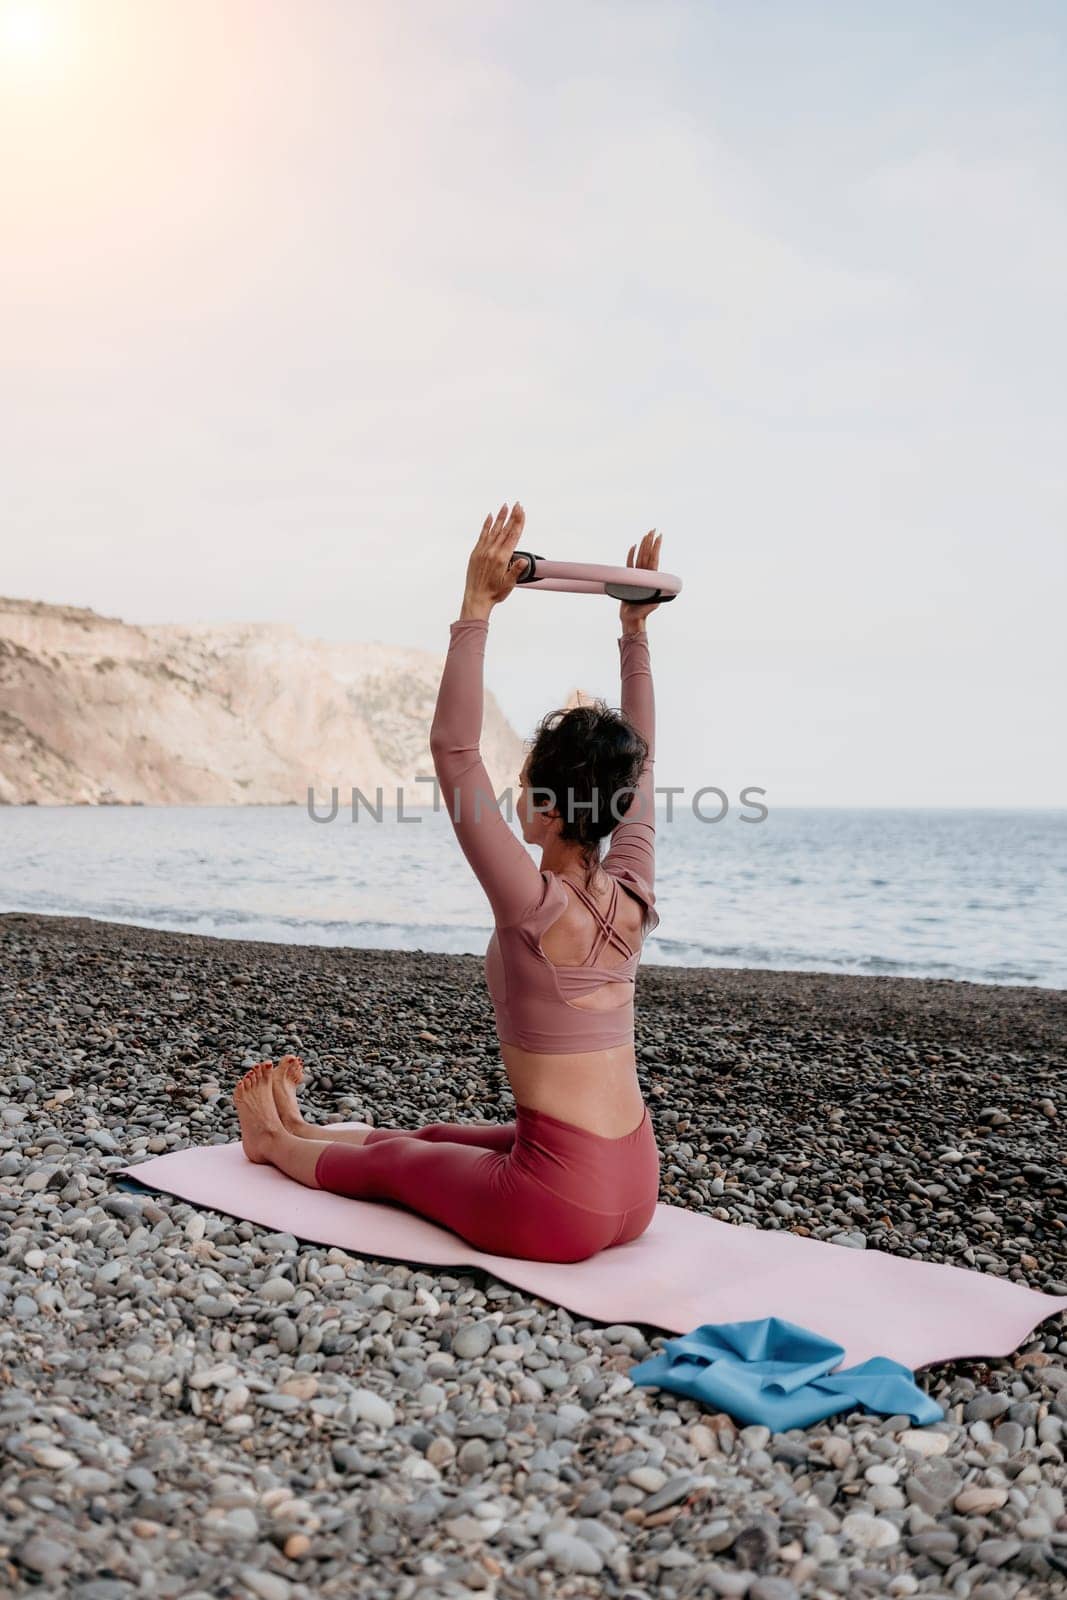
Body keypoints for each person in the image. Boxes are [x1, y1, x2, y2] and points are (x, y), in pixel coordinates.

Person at [233, 501, 665, 1262]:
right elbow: (642, 761)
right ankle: (303, 1128)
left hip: (557, 1207)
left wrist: (476, 606)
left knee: (398, 1164)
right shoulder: (631, 889)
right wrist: (633, 635)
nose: (511, 795)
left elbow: (452, 749)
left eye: (524, 783)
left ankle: (273, 1143)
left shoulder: (530, 904)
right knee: (435, 1138)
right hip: (635, 1181)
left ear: (543, 807)